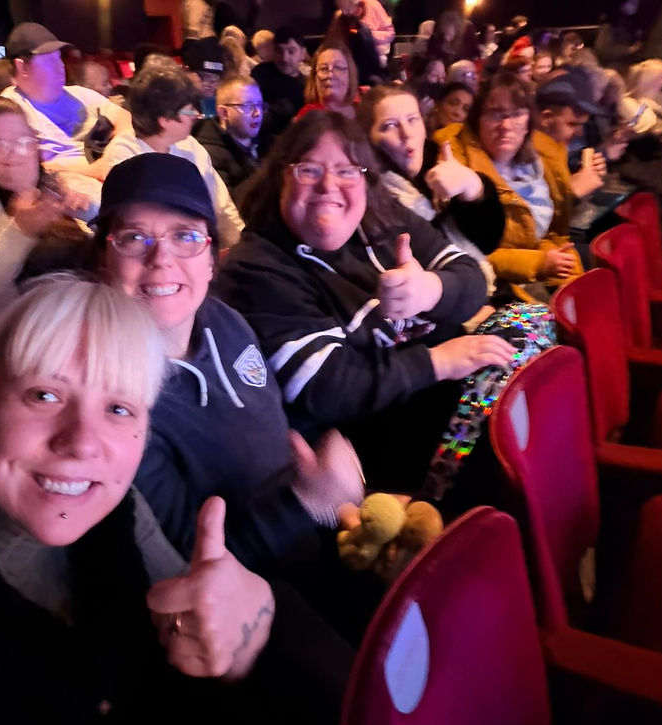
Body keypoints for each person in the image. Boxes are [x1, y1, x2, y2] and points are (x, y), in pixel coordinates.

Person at [0, 275, 352, 725]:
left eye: (118, 409)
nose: (82, 443)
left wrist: (250, 635)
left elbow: (197, 625)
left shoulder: (118, 510)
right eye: (44, 394)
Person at [96, 152, 364, 579]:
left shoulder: (224, 321)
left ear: (211, 257)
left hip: (317, 535)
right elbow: (184, 562)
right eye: (134, 238)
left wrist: (341, 498)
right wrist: (308, 502)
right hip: (254, 594)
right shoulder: (113, 403)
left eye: (185, 236)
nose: (161, 259)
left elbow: (274, 426)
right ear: (104, 261)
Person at [215, 111, 513, 492]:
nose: (328, 185)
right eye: (308, 169)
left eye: (346, 170)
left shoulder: (381, 217)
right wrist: (437, 361)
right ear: (279, 179)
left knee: (533, 331)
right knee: (509, 430)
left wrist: (432, 290)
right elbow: (326, 386)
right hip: (392, 441)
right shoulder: (257, 268)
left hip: (448, 395)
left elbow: (470, 276)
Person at [0, 97, 100, 336]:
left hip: (99, 311)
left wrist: (88, 211)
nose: (12, 154)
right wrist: (19, 231)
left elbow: (122, 227)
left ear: (36, 146)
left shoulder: (68, 184)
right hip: (36, 334)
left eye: (22, 141)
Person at [435, 72, 587, 303]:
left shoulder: (542, 160)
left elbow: (552, 234)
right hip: (496, 284)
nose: (506, 125)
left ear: (528, 122)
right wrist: (538, 263)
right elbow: (468, 252)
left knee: (594, 302)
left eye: (516, 114)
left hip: (544, 264)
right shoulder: (458, 164)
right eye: (495, 114)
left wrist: (558, 264)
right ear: (477, 120)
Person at [358, 84, 502, 310]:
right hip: (442, 316)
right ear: (369, 139)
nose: (407, 133)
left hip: (478, 293)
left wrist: (474, 189)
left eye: (413, 119)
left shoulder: (439, 162)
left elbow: (488, 243)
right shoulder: (371, 195)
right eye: (390, 125)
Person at [97, 62, 244, 247]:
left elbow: (222, 208)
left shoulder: (191, 146)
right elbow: (139, 224)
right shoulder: (125, 155)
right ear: (165, 118)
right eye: (190, 109)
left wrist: (238, 249)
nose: (196, 115)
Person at [1, 22, 132, 178]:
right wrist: (95, 169)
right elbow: (26, 168)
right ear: (22, 67)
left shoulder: (79, 94)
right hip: (69, 187)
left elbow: (124, 118)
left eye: (58, 58)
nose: (61, 66)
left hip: (113, 170)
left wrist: (113, 156)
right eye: (50, 60)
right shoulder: (10, 110)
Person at [535, 70, 611, 184]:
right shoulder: (523, 157)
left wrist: (584, 173)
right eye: (573, 124)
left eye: (582, 124)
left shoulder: (561, 150)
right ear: (547, 117)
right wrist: (573, 191)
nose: (579, 132)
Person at [195, 75, 264, 194]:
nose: (257, 113)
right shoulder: (208, 155)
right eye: (248, 106)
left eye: (260, 105)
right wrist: (266, 176)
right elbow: (228, 205)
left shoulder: (267, 143)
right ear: (224, 113)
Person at [251, 26, 307, 138]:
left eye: (291, 51)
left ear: (303, 53)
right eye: (279, 51)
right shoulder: (260, 74)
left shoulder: (306, 87)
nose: (284, 58)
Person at [295, 43, 359, 121]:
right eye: (323, 68)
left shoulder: (362, 109)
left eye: (338, 67)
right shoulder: (307, 117)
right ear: (314, 78)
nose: (330, 75)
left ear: (350, 75)